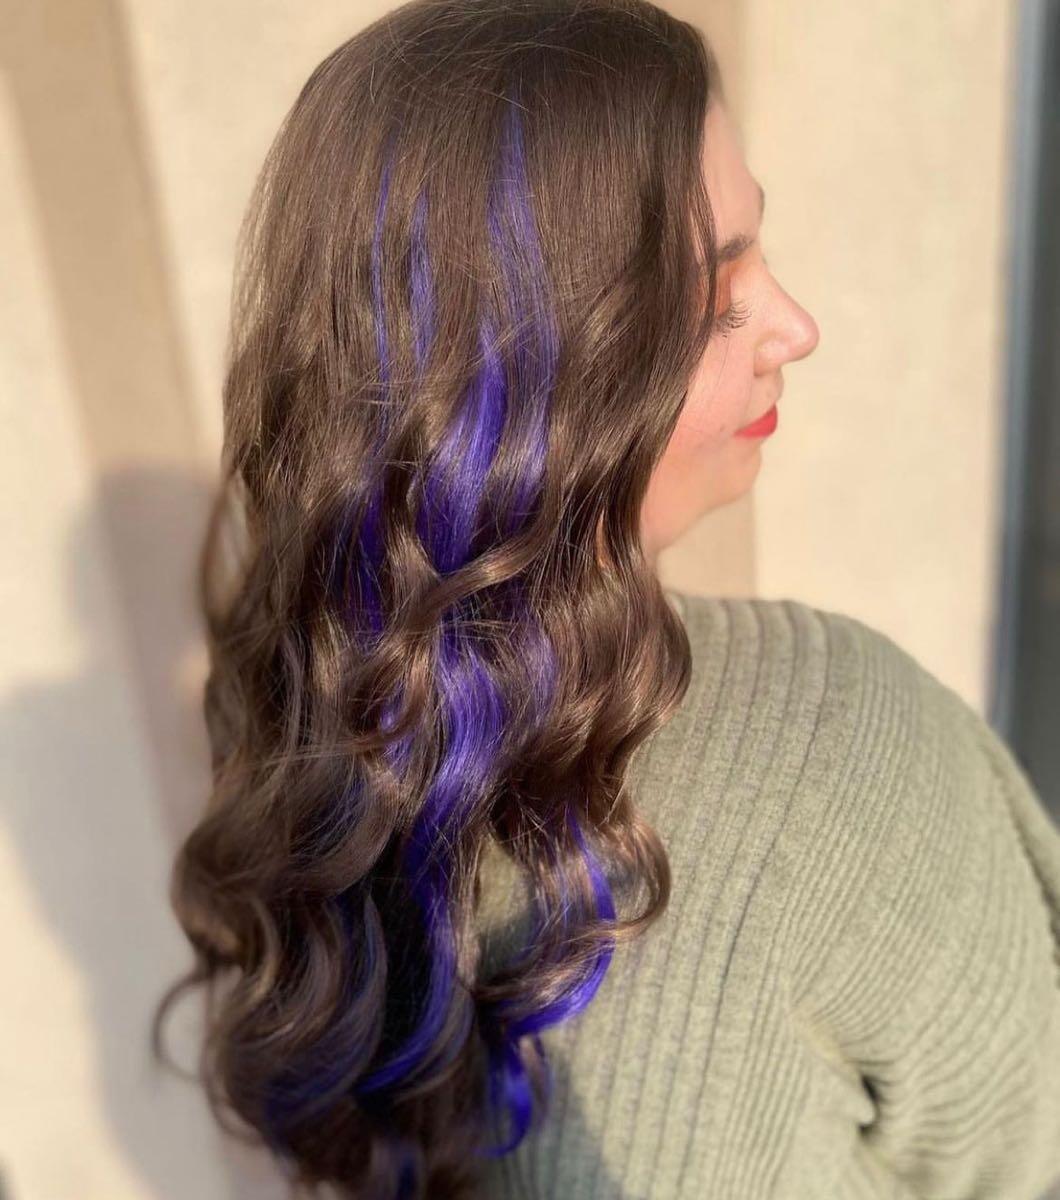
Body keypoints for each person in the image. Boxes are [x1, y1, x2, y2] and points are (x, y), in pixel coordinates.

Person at [151, 1, 1060, 1197]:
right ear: (525, 376)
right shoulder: (840, 746)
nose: (795, 328)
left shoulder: (307, 730)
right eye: (714, 295)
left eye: (760, 253)